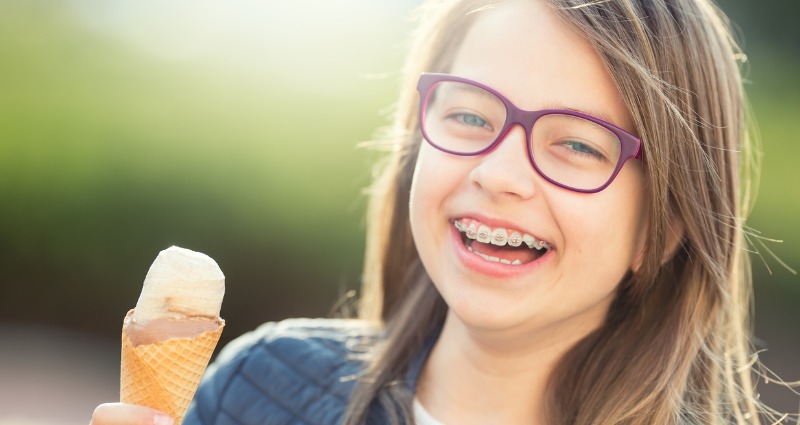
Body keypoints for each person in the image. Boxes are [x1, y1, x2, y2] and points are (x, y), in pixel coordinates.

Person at [90, 0, 788, 423]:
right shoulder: (258, 390)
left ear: (662, 229)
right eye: (468, 115)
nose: (498, 173)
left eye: (577, 143)